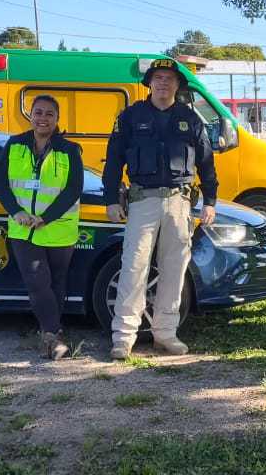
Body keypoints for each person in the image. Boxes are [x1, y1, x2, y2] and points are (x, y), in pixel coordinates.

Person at [102, 58, 218, 360]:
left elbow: (206, 162)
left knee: (174, 268)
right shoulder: (130, 116)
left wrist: (211, 201)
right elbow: (114, 160)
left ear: (177, 85)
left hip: (179, 202)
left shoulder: (191, 119)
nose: (163, 83)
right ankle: (124, 337)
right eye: (158, 78)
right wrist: (111, 200)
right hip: (143, 201)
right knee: (134, 267)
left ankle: (165, 334)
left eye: (169, 78)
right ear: (149, 83)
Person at [0, 95, 83, 360]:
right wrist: (17, 211)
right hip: (23, 229)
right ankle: (52, 335)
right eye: (38, 112)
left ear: (57, 119)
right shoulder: (14, 144)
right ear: (30, 115)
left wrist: (46, 217)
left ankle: (52, 332)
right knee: (37, 282)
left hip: (57, 229)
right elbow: (1, 184)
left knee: (57, 283)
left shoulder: (69, 149)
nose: (43, 118)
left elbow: (73, 189)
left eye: (49, 114)